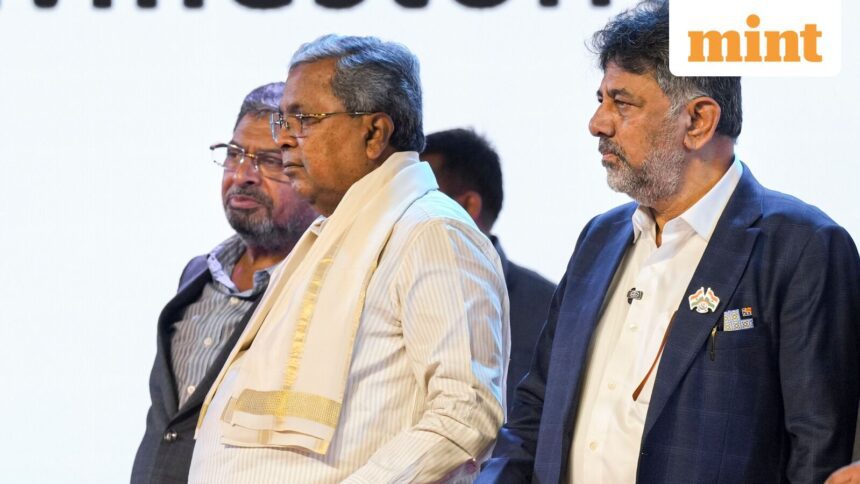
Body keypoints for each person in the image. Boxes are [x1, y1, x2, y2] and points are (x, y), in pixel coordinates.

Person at [479, 1, 860, 482]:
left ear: (698, 121)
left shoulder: (803, 247)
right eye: (600, 99)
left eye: (622, 103)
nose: (597, 122)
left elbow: (818, 453)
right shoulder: (599, 238)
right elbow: (536, 408)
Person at [189, 35, 509, 484]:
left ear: (374, 132)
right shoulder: (332, 231)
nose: (285, 142)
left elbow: (465, 415)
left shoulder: (431, 231)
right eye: (284, 120)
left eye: (302, 119)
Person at [131, 82, 317, 484]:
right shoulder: (198, 273)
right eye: (235, 155)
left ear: (311, 173)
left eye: (268, 160)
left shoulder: (323, 284)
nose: (243, 176)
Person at [422, 128, 556, 409]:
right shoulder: (384, 287)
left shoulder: (551, 310)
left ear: (468, 206)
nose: (402, 214)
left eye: (421, 198)